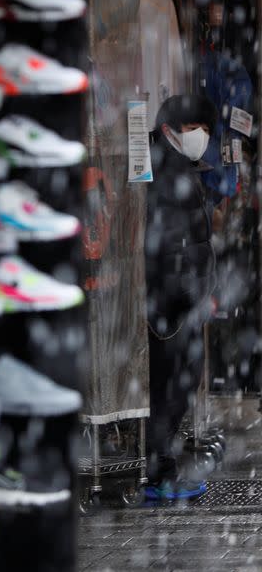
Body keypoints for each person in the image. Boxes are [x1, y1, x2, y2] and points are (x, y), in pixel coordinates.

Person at [144, 94, 217, 501]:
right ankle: (159, 474)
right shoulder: (166, 170)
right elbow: (171, 245)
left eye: (205, 130)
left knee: (179, 386)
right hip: (172, 306)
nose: (202, 138)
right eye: (195, 130)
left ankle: (164, 469)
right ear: (172, 130)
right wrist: (191, 294)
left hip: (182, 303)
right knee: (170, 388)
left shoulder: (178, 167)